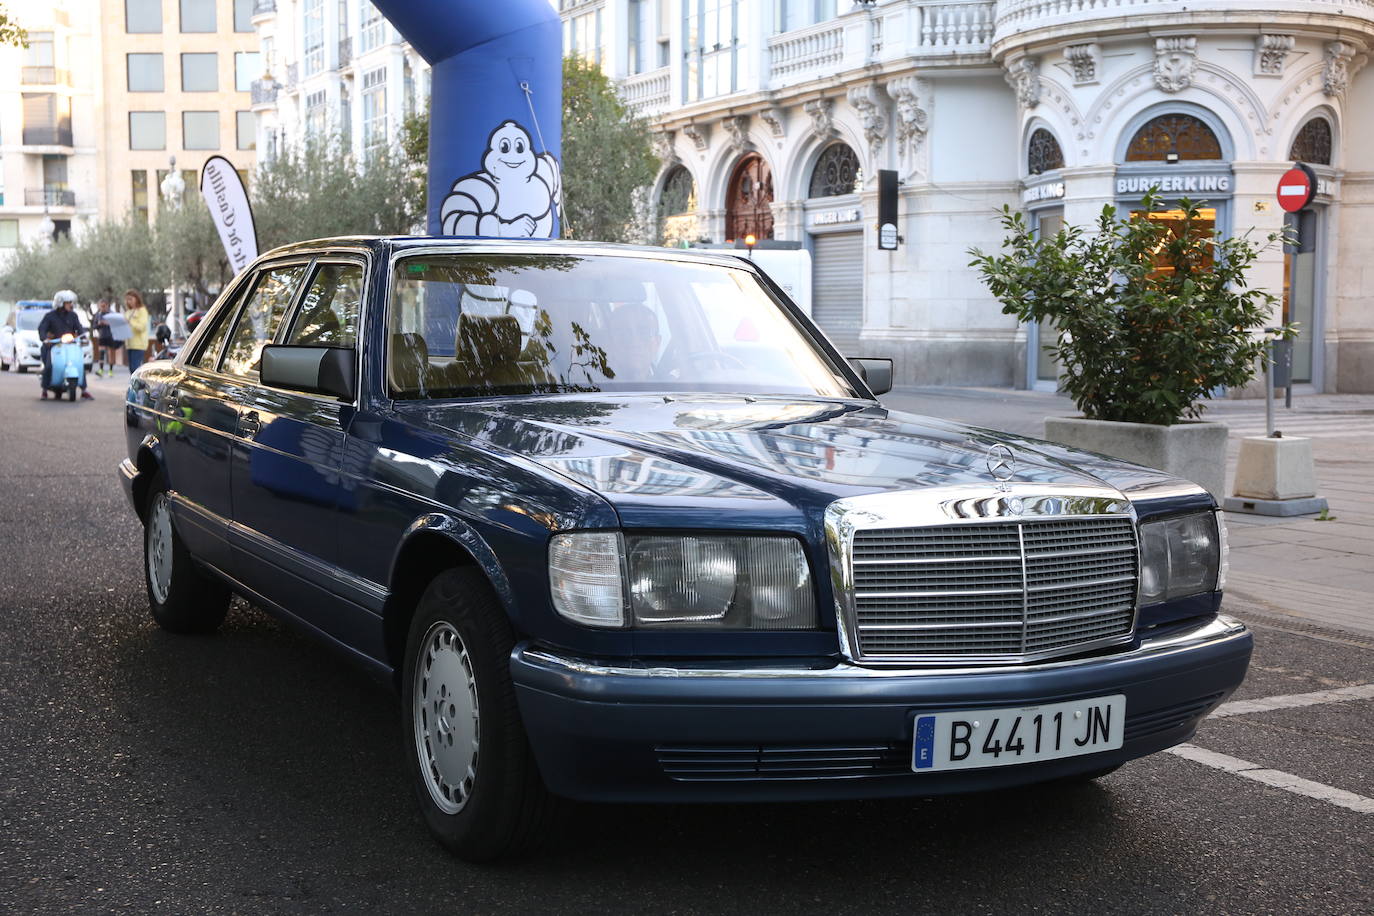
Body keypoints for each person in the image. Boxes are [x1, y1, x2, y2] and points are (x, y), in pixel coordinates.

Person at [37, 290, 93, 401]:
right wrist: (45, 339)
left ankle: (84, 390)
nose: (70, 305)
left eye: (71, 303)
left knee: (79, 364)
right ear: (60, 303)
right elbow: (42, 329)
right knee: (48, 365)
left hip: (70, 345)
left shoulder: (73, 316)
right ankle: (44, 390)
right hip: (54, 345)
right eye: (68, 303)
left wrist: (84, 337)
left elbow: (79, 328)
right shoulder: (50, 316)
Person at [606, 302, 661, 383]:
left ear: (657, 342)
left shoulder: (674, 388)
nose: (635, 342)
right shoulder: (592, 388)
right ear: (610, 343)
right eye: (623, 334)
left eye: (644, 333)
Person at [93, 298, 122, 377]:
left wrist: (108, 323)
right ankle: (101, 370)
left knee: (111, 354)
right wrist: (99, 324)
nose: (102, 307)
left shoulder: (112, 314)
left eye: (104, 306)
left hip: (111, 336)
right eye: (101, 306)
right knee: (101, 353)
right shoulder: (98, 315)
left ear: (107, 306)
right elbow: (94, 326)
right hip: (102, 336)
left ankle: (110, 370)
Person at [124, 289, 149, 374]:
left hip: (138, 344)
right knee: (131, 369)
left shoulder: (142, 310)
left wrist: (130, 322)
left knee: (135, 369)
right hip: (129, 344)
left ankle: (137, 387)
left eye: (130, 299)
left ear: (136, 299)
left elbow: (142, 327)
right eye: (127, 299)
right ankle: (134, 386)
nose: (128, 301)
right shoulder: (128, 312)